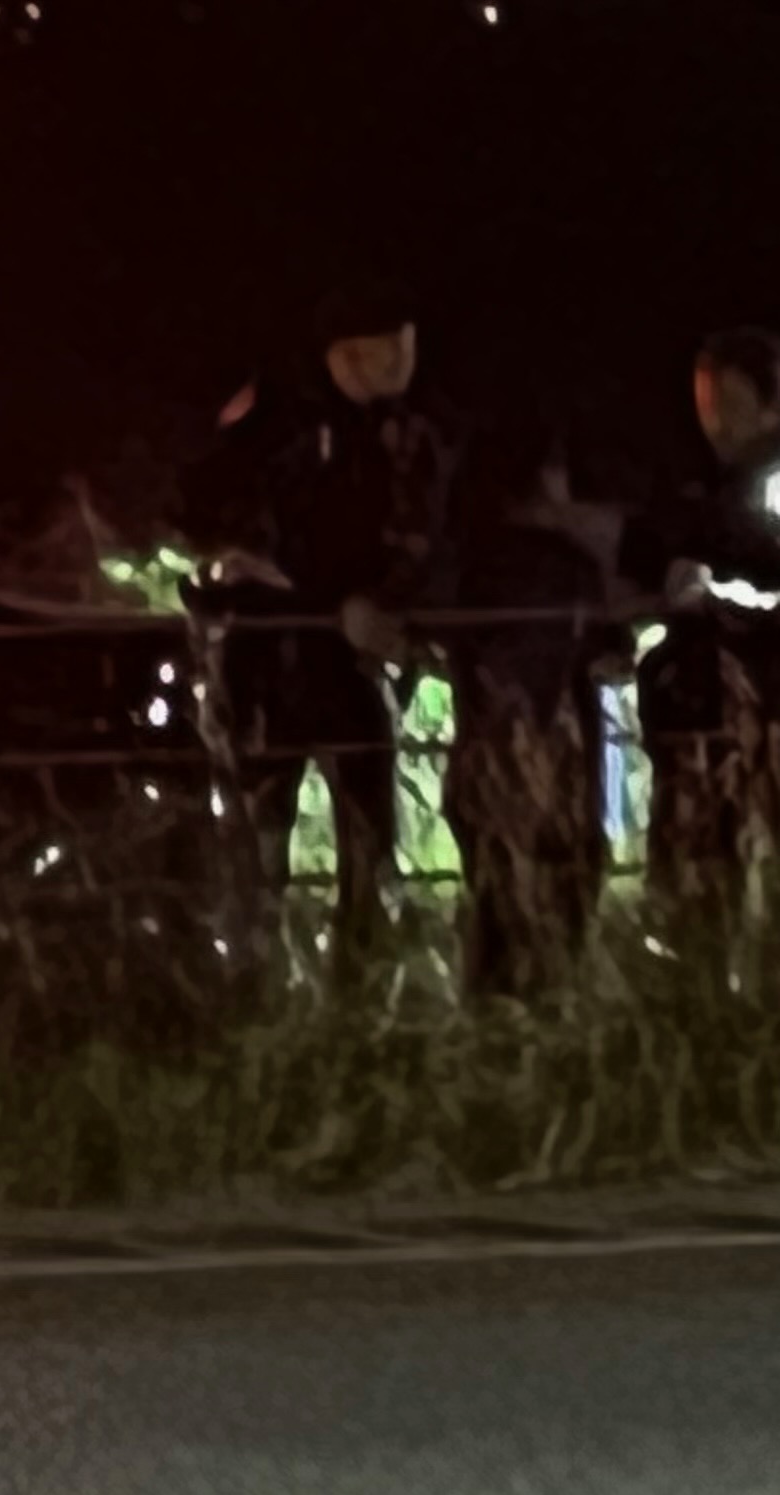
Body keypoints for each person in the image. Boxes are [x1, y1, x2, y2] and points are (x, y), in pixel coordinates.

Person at [179, 286, 452, 964]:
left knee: (367, 820)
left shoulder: (389, 431)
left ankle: (361, 969)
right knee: (264, 826)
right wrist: (317, 594)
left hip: (343, 658)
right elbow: (220, 522)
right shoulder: (282, 422)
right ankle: (256, 973)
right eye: (397, 350)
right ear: (362, 352)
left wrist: (389, 600)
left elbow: (405, 534)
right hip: (275, 660)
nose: (407, 364)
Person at [436, 416, 618, 999]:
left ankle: (496, 1037)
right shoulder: (569, 564)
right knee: (561, 909)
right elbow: (609, 650)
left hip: (488, 761)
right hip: (558, 760)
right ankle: (553, 1038)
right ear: (543, 479)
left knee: (496, 913)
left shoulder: (465, 562)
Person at [624, 324, 780, 949]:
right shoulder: (692, 483)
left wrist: (715, 593)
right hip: (692, 718)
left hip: (763, 717)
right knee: (692, 875)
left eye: (732, 403)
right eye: (707, 402)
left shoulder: (768, 483)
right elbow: (642, 554)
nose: (717, 421)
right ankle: (697, 997)